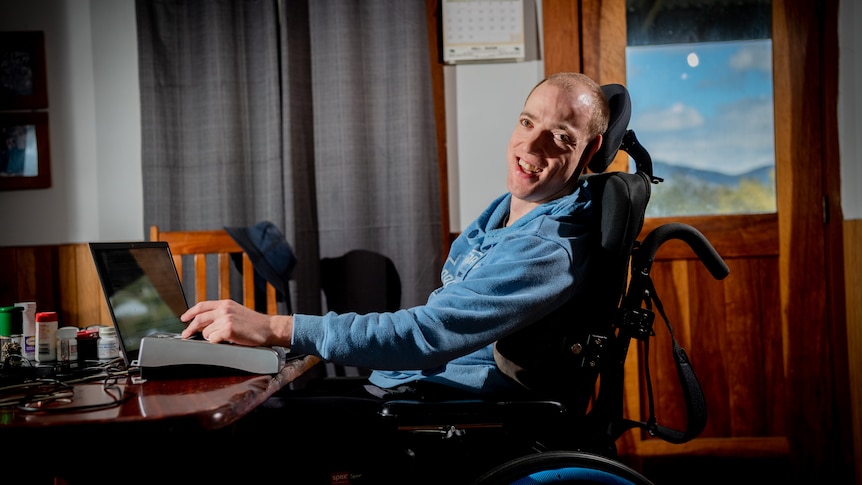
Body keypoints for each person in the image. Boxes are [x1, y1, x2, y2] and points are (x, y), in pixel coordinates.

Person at [180, 72, 610, 483]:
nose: (530, 146)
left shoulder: (547, 249)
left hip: (457, 412)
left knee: (245, 426)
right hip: (418, 387)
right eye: (527, 121)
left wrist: (276, 327)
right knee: (268, 401)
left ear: (590, 152)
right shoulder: (508, 211)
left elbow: (426, 335)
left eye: (561, 137)